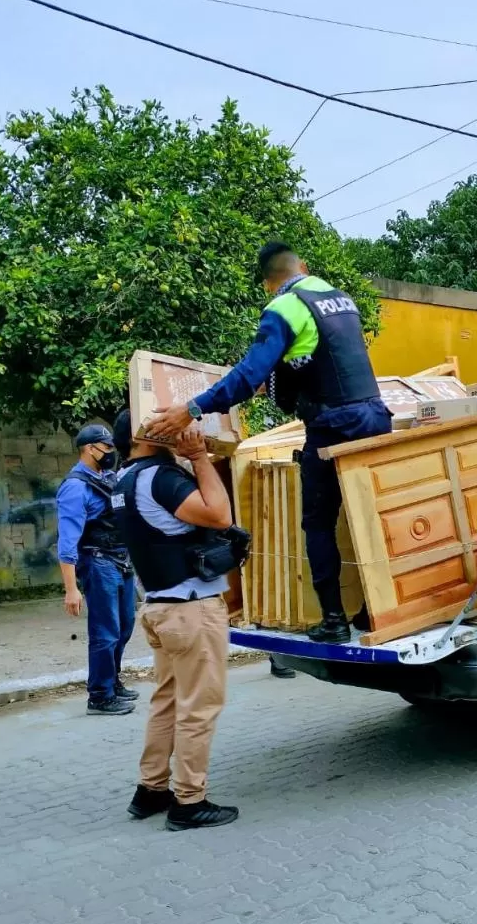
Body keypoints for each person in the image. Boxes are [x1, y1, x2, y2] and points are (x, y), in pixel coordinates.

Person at [147, 243, 392, 643]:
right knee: (371, 515)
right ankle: (377, 609)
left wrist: (191, 408)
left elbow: (248, 375)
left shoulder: (284, 307)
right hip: (375, 417)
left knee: (318, 521)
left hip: (334, 425)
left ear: (267, 285)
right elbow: (318, 359)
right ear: (305, 267)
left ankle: (334, 620)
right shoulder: (340, 299)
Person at [112, 409, 240, 832]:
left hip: (159, 607)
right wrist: (200, 459)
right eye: (168, 421)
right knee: (198, 707)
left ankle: (151, 789)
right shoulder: (161, 479)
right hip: (191, 608)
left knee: (167, 700)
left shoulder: (123, 481)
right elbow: (220, 516)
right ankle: (189, 800)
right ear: (148, 433)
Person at [55, 424, 137, 716]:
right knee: (106, 632)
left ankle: (112, 682)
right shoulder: (75, 488)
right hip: (98, 562)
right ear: (90, 449)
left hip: (121, 560)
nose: (111, 453)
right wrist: (71, 589)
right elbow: (66, 542)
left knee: (125, 625)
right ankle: (100, 695)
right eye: (107, 448)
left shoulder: (108, 477)